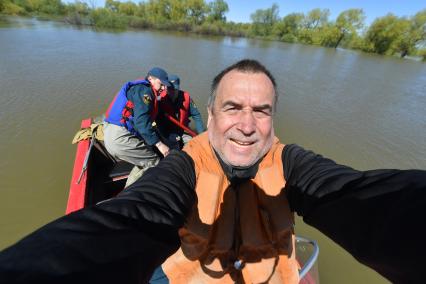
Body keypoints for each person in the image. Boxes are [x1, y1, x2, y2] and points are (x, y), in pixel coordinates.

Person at [1, 59, 426, 284]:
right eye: (232, 108)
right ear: (214, 113)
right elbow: (134, 217)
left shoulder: (292, 162)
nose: (246, 124)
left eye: (260, 110)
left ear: (273, 119)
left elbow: (360, 197)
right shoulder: (185, 165)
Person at [103, 67, 172, 173]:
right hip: (121, 138)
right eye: (161, 84)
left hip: (110, 135)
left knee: (143, 164)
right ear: (150, 79)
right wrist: (160, 145)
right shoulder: (145, 91)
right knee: (155, 163)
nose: (163, 88)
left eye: (164, 85)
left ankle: (130, 188)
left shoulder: (139, 89)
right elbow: (141, 122)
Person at [155, 74, 206, 150]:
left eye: (174, 89)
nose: (172, 92)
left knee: (194, 147)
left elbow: (196, 116)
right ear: (165, 87)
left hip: (183, 130)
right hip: (167, 131)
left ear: (178, 88)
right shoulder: (160, 99)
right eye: (169, 89)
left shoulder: (187, 98)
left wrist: (201, 135)